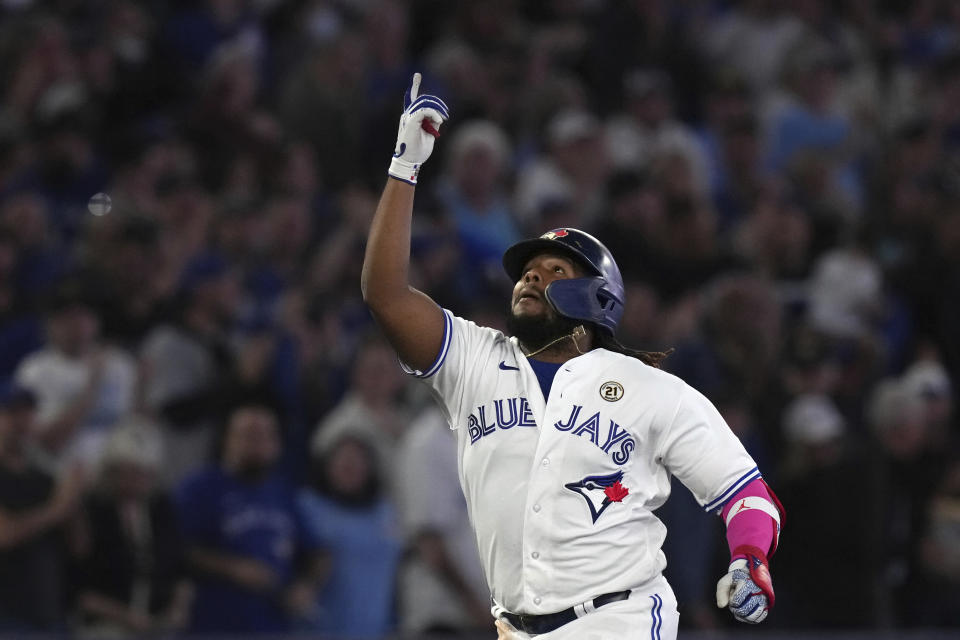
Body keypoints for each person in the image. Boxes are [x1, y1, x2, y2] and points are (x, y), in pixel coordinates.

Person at [361, 74, 784, 640]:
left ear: (598, 297)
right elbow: (385, 294)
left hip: (620, 618)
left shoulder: (648, 387)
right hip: (514, 627)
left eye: (553, 271)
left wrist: (749, 558)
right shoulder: (475, 362)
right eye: (527, 273)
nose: (531, 278)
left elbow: (745, 494)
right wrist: (404, 168)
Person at [174, 404, 323, 635]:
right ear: (227, 440)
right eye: (248, 435)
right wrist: (233, 568)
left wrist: (306, 586)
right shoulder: (199, 487)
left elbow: (318, 553)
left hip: (272, 625)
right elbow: (178, 550)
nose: (258, 443)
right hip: (212, 624)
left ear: (278, 444)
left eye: (266, 436)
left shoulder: (284, 492)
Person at [74, 416, 193, 637]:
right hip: (106, 623)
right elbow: (79, 586)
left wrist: (178, 607)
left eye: (143, 473)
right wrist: (124, 616)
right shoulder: (94, 510)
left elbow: (181, 567)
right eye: (127, 472)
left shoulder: (160, 509)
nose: (136, 480)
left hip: (158, 621)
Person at [0, 384, 85, 633]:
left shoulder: (44, 478)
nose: (22, 422)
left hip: (51, 614)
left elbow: (80, 547)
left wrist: (74, 496)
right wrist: (59, 508)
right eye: (12, 413)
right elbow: (4, 535)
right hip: (7, 617)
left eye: (28, 414)